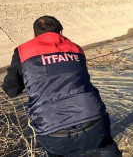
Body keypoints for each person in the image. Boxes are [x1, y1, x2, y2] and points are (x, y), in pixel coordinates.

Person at [1, 15, 122, 157]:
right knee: (105, 146)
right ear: (61, 32)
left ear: (34, 35)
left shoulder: (22, 52)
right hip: (94, 123)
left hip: (52, 132)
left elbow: (11, 90)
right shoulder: (76, 48)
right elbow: (83, 79)